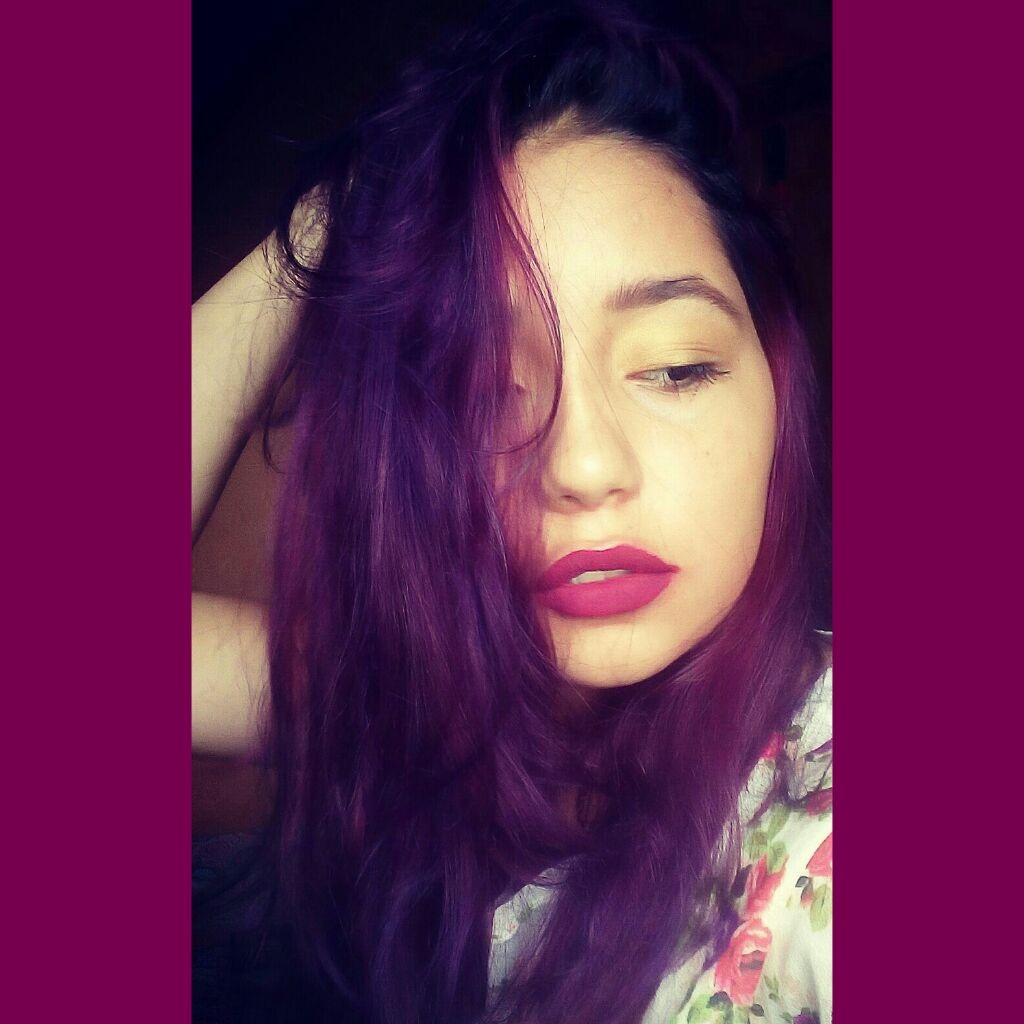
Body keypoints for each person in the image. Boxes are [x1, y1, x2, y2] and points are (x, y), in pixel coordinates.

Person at [191, 2, 832, 1022]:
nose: (580, 464)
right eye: (480, 390)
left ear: (774, 385)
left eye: (674, 367)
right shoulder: (420, 693)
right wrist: (330, 220)